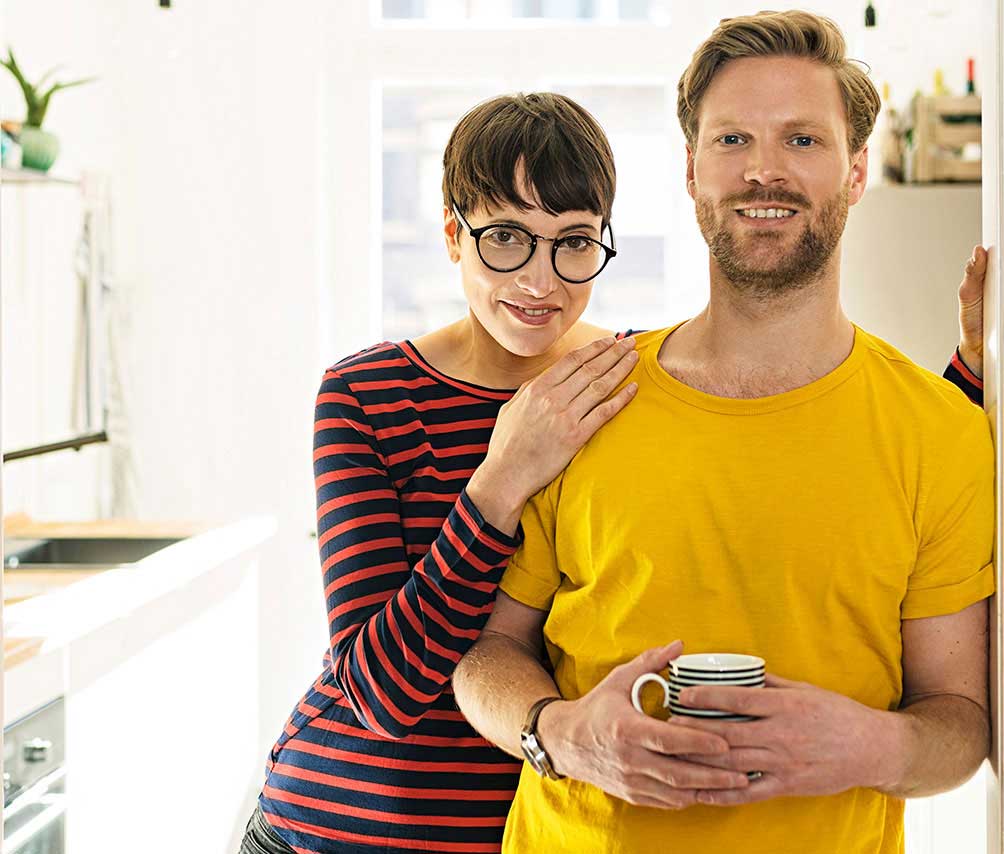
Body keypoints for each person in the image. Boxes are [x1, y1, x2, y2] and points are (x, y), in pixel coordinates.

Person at [238, 89, 989, 854]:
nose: (540, 281)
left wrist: (971, 377)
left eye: (571, 242)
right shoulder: (369, 396)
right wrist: (502, 477)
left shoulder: (622, 380)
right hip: (340, 831)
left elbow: (825, 445)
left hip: (527, 828)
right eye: (505, 238)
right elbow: (379, 692)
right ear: (452, 235)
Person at [451, 11, 995, 854]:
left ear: (855, 173)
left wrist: (870, 744)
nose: (764, 170)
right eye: (733, 139)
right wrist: (560, 734)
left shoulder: (940, 434)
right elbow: (487, 656)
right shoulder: (585, 400)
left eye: (804, 141)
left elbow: (961, 720)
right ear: (692, 169)